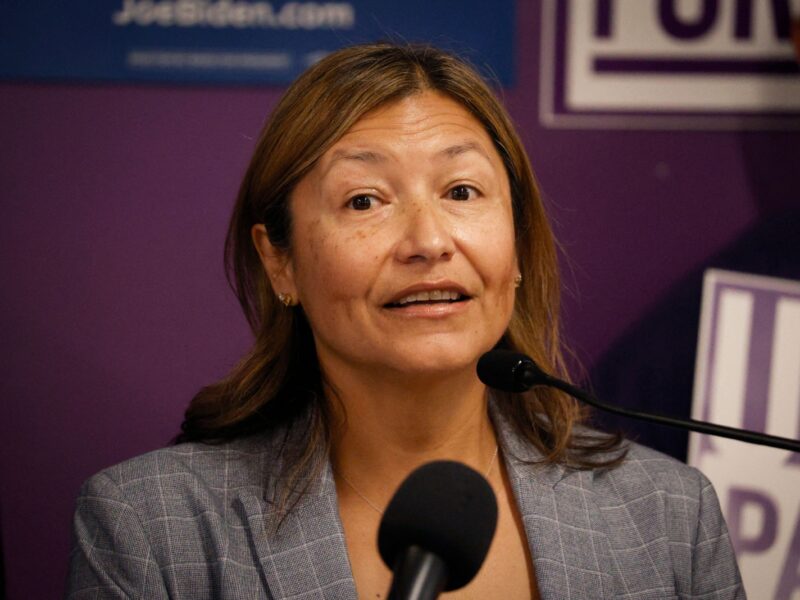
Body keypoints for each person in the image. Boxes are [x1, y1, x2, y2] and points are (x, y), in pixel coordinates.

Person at [67, 43, 745, 599]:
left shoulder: (669, 517)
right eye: (364, 200)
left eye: (461, 192)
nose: (428, 240)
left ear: (517, 248)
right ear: (280, 262)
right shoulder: (151, 530)